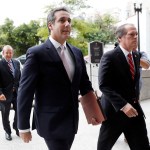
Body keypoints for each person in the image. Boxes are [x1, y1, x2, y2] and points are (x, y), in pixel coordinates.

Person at [17, 6, 99, 150]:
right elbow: (25, 91)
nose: (67, 24)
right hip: (50, 123)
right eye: (62, 20)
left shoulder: (77, 52)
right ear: (50, 25)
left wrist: (94, 111)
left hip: (72, 122)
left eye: (69, 20)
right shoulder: (37, 53)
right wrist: (23, 127)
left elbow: (85, 85)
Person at [97, 23, 150, 150]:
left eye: (136, 34)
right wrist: (123, 105)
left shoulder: (136, 56)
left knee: (142, 145)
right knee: (104, 147)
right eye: (131, 34)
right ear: (120, 38)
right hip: (114, 113)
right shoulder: (109, 57)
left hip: (134, 111)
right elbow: (104, 85)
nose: (135, 37)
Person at [0, 45, 21, 140]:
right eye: (6, 52)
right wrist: (0, 94)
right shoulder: (0, 64)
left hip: (16, 93)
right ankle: (7, 131)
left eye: (10, 52)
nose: (8, 54)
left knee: (19, 112)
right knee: (5, 114)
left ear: (12, 53)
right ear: (3, 53)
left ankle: (16, 128)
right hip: (4, 94)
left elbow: (19, 77)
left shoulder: (16, 63)